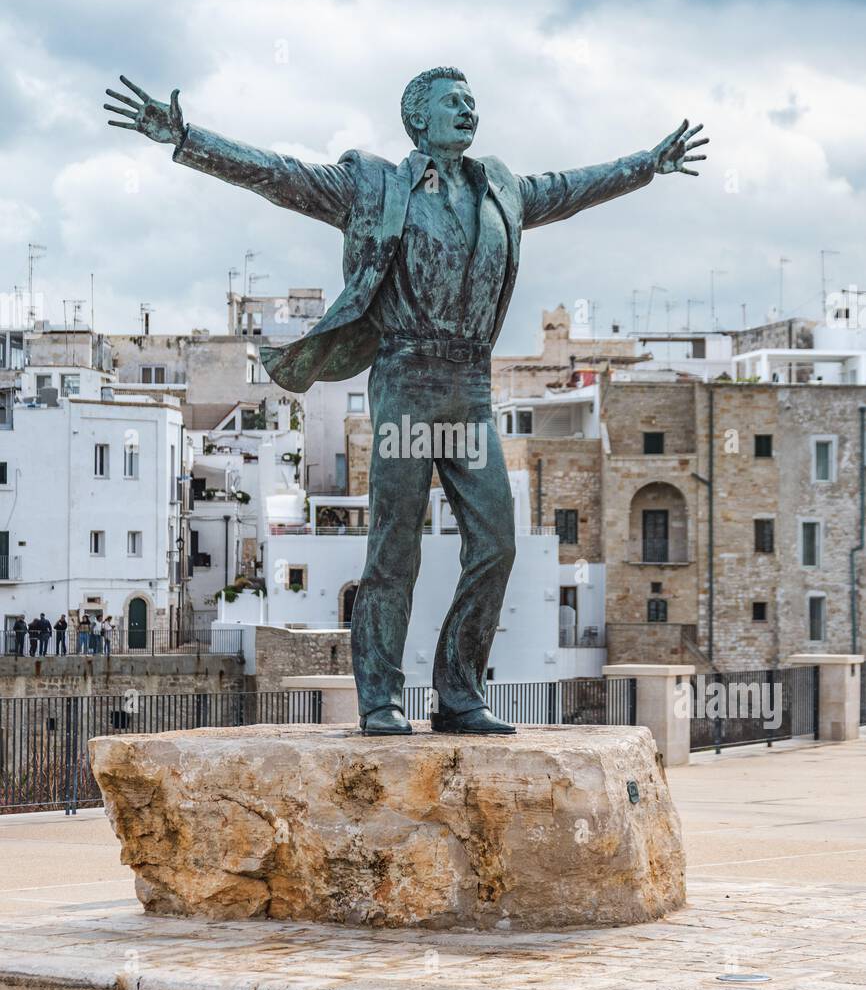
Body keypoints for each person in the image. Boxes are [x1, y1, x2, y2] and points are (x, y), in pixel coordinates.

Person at [106, 67, 708, 735]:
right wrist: (188, 138)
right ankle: (381, 698)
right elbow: (279, 176)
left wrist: (646, 165)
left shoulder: (498, 189)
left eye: (473, 102)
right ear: (417, 119)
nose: (468, 111)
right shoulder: (376, 186)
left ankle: (458, 692)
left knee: (497, 544)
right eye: (453, 102)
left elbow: (570, 189)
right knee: (395, 549)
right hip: (405, 381)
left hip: (471, 388)